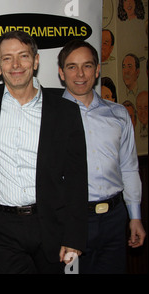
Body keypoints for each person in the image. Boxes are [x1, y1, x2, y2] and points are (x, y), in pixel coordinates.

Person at [0, 31, 88, 274]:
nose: (15, 65)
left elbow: (77, 178)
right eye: (7, 58)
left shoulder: (65, 111)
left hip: (52, 225)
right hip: (2, 229)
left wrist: (74, 237)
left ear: (36, 61)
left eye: (23, 56)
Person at [57, 39, 146, 274]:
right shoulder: (50, 117)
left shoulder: (118, 114)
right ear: (61, 72)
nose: (80, 74)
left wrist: (134, 217)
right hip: (72, 223)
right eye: (71, 66)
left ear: (97, 70)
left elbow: (128, 166)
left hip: (114, 221)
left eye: (87, 66)